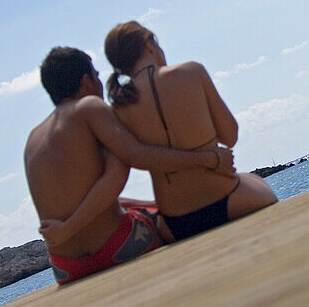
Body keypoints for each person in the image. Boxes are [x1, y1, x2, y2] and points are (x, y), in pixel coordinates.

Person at [41, 22, 277, 245]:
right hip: (228, 201)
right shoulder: (192, 71)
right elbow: (230, 135)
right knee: (255, 181)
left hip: (175, 224)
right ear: (149, 45)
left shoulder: (119, 106)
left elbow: (132, 161)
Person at [24, 46, 235, 285]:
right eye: (96, 76)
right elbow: (128, 164)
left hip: (65, 267)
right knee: (175, 219)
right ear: (86, 81)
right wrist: (208, 159)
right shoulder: (89, 107)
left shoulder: (33, 138)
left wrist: (65, 230)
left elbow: (82, 198)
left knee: (148, 208)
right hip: (117, 246)